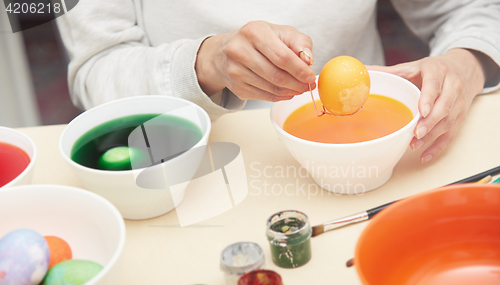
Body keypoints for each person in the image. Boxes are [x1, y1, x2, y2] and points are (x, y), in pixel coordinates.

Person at [56, 0, 500, 163]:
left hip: (370, 156)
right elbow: (96, 69)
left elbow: (470, 10)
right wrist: (205, 63)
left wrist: (465, 62)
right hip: (192, 166)